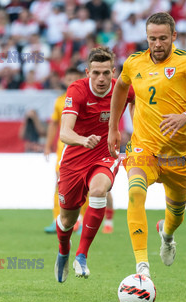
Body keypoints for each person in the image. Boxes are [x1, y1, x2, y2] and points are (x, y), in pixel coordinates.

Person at [108, 12, 186, 278]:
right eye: (152, 38)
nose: (157, 44)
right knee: (135, 194)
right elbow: (120, 89)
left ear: (173, 36)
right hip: (143, 149)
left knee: (176, 215)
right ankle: (142, 268)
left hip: (178, 156)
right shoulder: (134, 62)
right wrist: (113, 126)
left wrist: (185, 116)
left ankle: (167, 235)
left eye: (162, 38)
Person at [54, 47, 135, 283]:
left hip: (104, 154)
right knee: (67, 219)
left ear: (114, 72)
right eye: (96, 73)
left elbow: (137, 103)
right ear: (88, 72)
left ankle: (81, 255)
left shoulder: (122, 89)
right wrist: (82, 140)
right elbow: (64, 132)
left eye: (106, 73)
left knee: (99, 190)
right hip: (74, 158)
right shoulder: (77, 90)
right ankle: (63, 250)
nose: (101, 79)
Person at [43, 67, 83, 233]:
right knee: (59, 184)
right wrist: (47, 145)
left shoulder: (86, 98)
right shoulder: (60, 101)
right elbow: (54, 125)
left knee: (83, 185)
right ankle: (57, 219)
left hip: (83, 147)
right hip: (64, 149)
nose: (72, 81)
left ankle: (81, 220)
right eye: (69, 78)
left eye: (75, 78)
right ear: (64, 81)